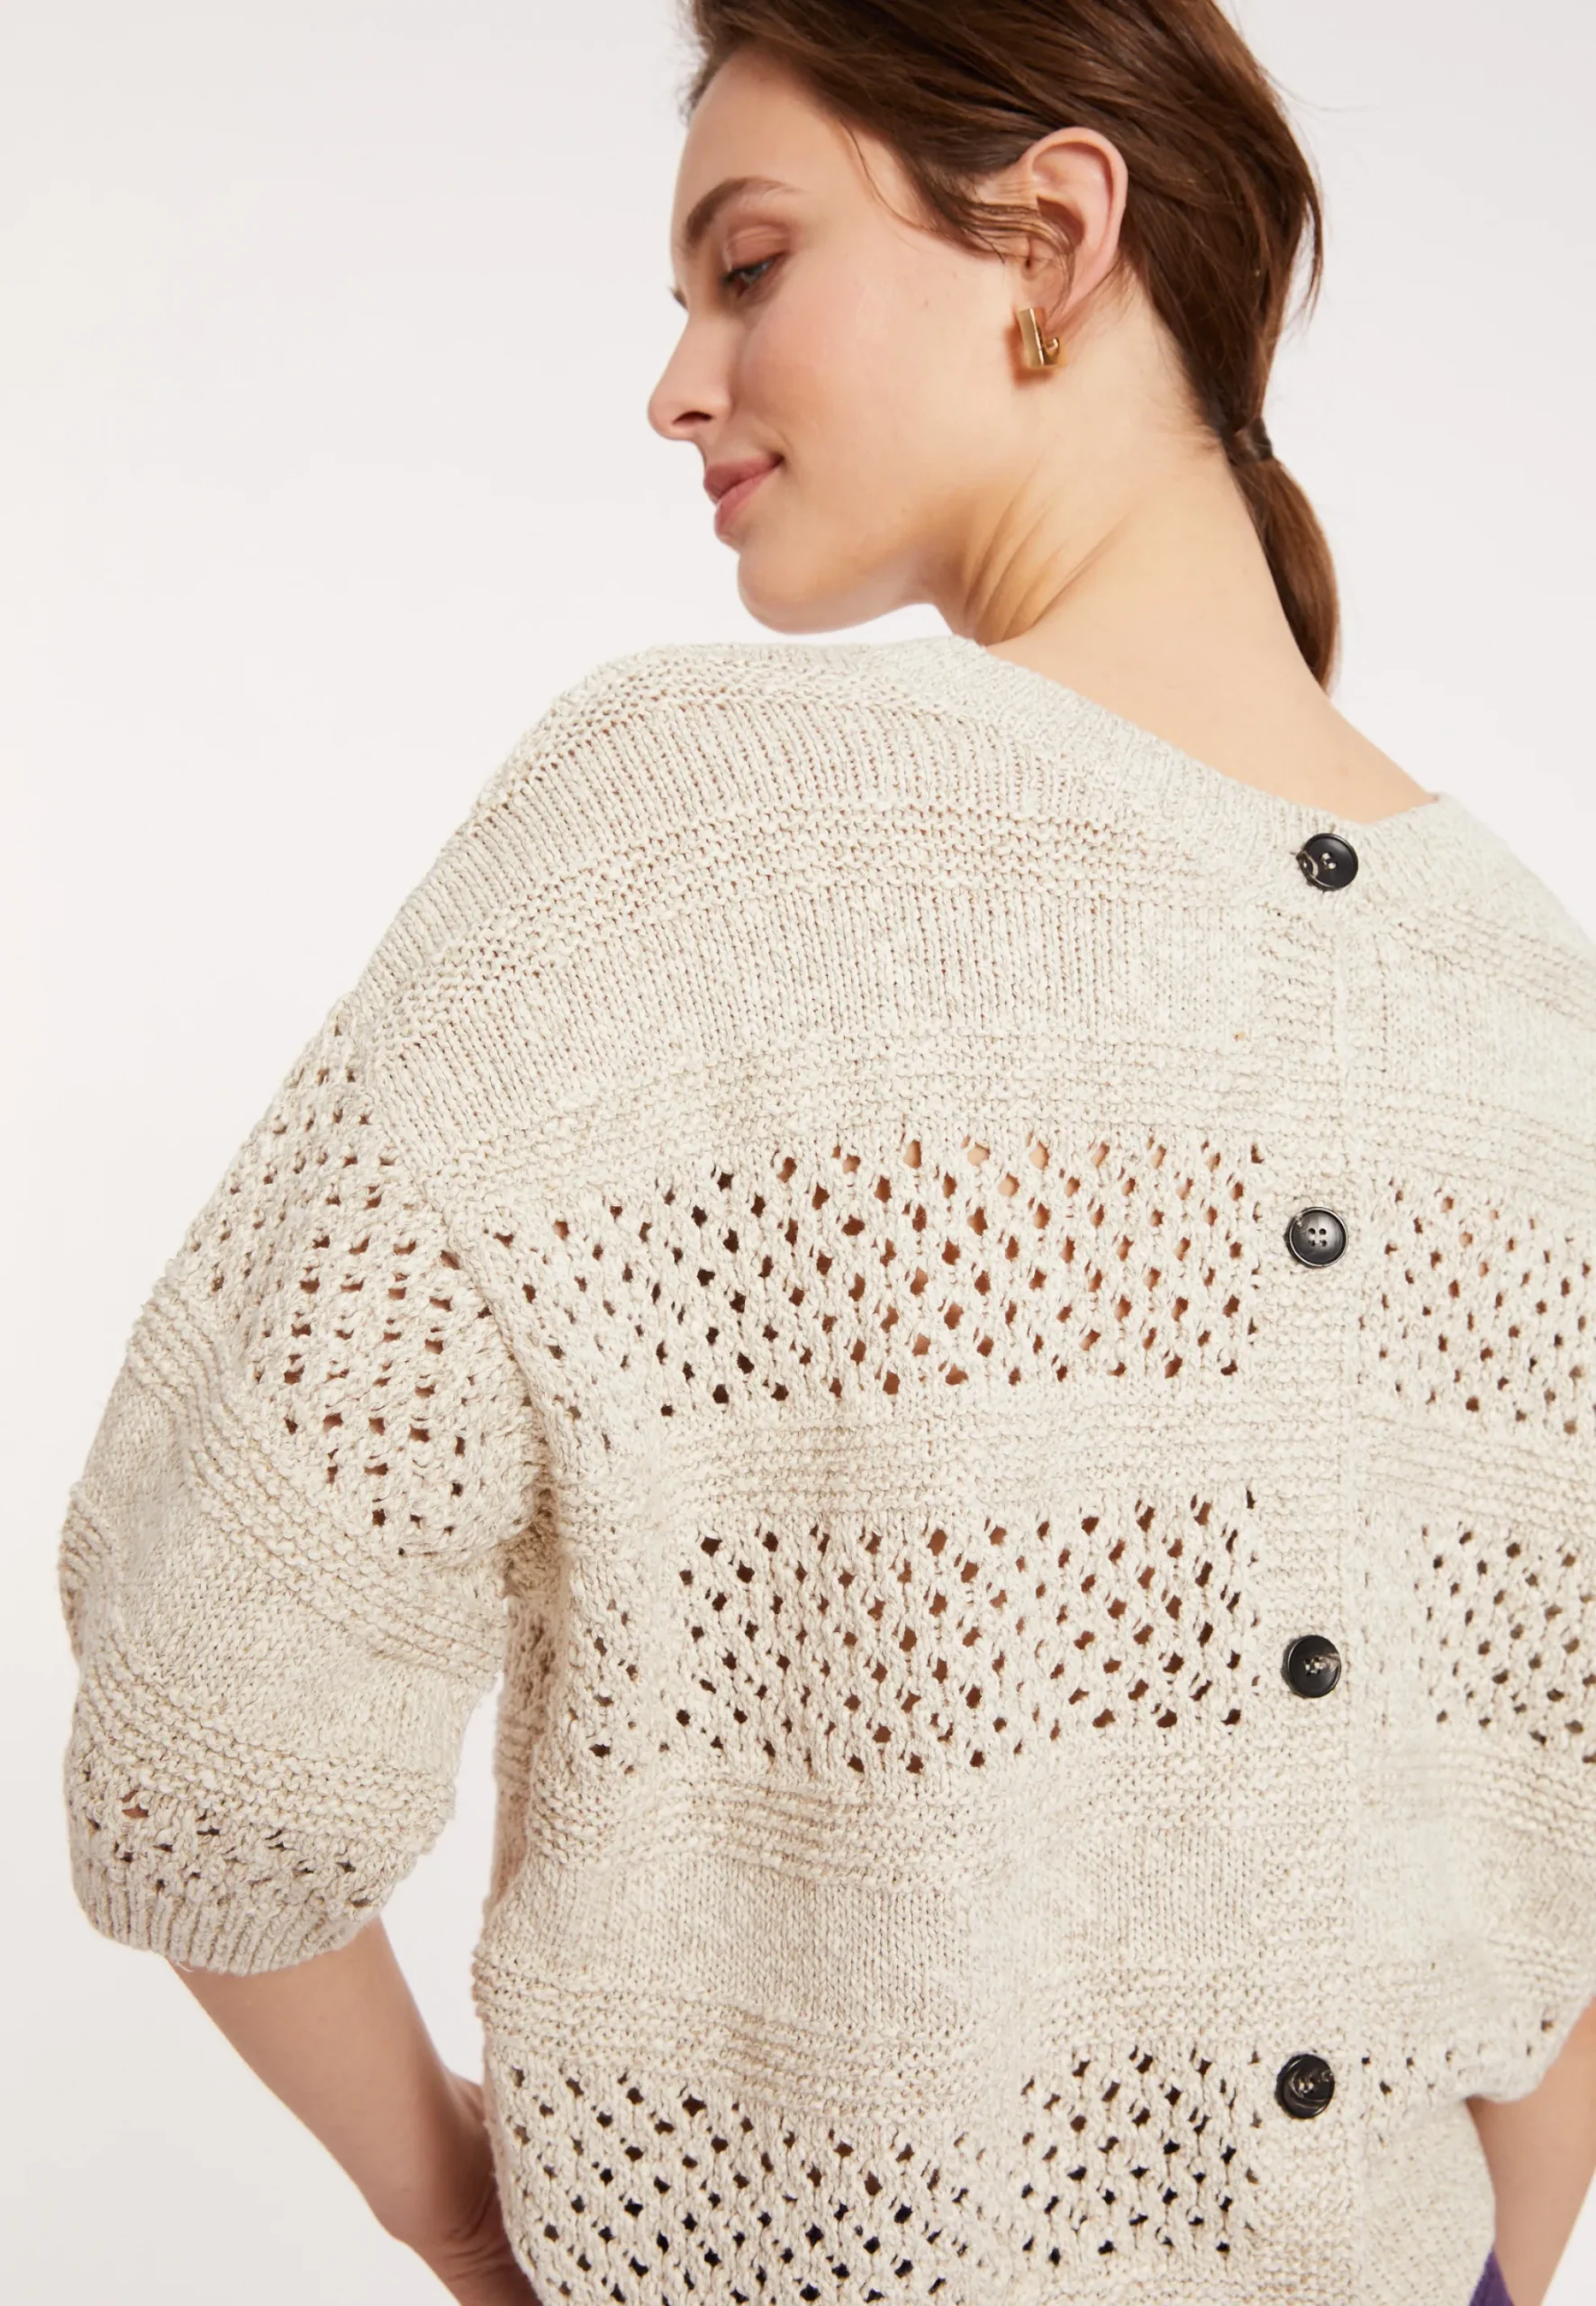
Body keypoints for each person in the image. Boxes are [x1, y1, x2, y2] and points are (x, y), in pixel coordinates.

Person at [54, 5, 1596, 2304]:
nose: (676, 383)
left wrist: (456, 2207)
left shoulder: (675, 844)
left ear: (1052, 235)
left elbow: (202, 1742)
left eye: (748, 267)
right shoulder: (1539, 997)